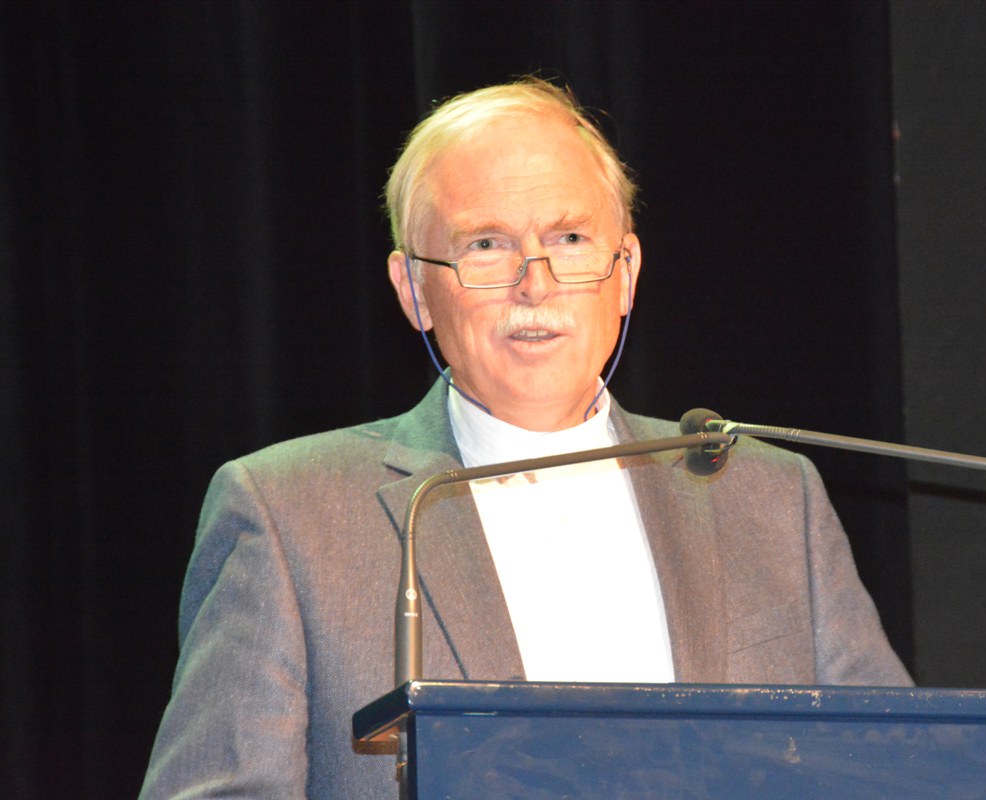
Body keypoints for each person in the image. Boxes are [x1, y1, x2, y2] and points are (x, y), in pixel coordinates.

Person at [140, 77, 910, 799]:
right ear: (414, 290)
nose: (534, 283)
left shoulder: (769, 498)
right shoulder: (289, 514)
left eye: (570, 237)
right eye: (486, 245)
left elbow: (902, 772)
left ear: (626, 272)